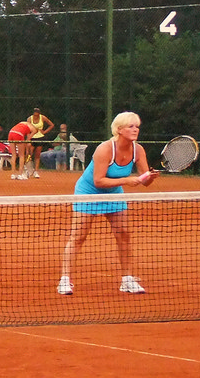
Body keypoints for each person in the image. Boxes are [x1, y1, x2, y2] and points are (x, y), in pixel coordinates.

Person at [57, 111, 158, 296]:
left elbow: (145, 182)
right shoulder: (105, 149)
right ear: (119, 129)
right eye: (130, 126)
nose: (135, 129)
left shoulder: (138, 150)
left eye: (137, 126)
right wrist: (127, 180)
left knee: (124, 234)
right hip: (88, 192)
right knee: (78, 236)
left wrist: (150, 177)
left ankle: (127, 280)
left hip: (114, 193)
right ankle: (65, 280)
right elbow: (98, 181)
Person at [25, 108, 54, 177]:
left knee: (37, 155)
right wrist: (28, 139)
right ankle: (28, 170)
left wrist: (44, 132)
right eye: (35, 115)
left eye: (37, 115)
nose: (36, 116)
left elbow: (51, 125)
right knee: (29, 154)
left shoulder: (43, 117)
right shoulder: (29, 119)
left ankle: (36, 171)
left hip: (40, 137)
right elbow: (27, 129)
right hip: (32, 138)